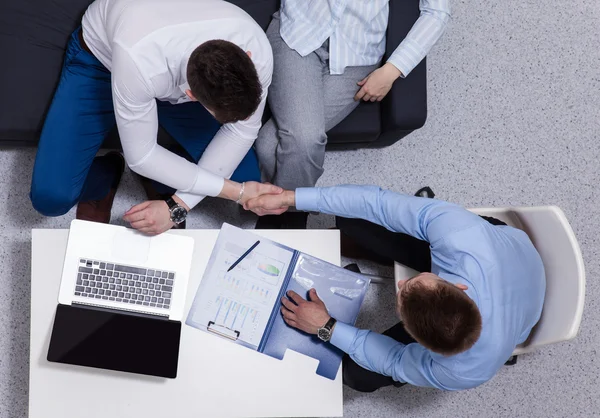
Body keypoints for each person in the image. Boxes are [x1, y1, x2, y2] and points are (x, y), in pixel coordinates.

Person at [244, 185, 546, 391]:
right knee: (358, 219)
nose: (400, 282)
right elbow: (375, 202)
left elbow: (393, 360)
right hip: (505, 247)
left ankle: (377, 241)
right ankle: (373, 237)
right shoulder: (458, 233)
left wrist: (326, 327)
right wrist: (289, 198)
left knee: (358, 375)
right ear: (458, 285)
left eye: (401, 293)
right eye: (413, 282)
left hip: (515, 311)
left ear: (417, 341)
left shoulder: (463, 372)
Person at [30, 0, 278, 234]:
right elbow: (142, 155)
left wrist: (175, 207)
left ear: (248, 57)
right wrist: (236, 192)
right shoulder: (139, 56)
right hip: (104, 63)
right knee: (51, 198)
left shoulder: (255, 46)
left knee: (246, 176)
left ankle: (161, 181)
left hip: (164, 75)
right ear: (191, 96)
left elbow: (242, 131)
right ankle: (105, 175)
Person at [254, 0, 451, 229]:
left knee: (269, 144)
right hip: (298, 32)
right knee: (300, 140)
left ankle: (281, 213)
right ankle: (292, 217)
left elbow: (437, 12)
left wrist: (392, 70)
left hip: (357, 52)